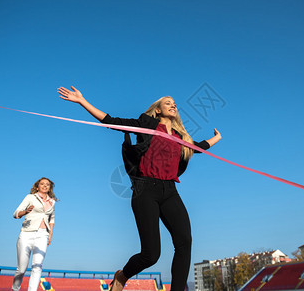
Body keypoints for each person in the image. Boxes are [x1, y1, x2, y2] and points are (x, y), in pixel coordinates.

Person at [58, 86, 222, 291]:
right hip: (145, 190)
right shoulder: (146, 126)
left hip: (170, 191)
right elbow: (112, 121)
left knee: (184, 242)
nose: (173, 105)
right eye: (167, 102)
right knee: (151, 255)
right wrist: (82, 101)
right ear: (158, 110)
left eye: (174, 103)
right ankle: (122, 275)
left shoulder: (181, 138)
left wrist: (217, 138)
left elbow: (198, 147)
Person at [12, 177, 57, 291]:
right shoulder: (30, 197)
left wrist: (50, 235)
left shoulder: (52, 202)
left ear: (50, 188)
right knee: (22, 269)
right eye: (42, 184)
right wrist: (25, 212)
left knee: (37, 266)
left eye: (47, 184)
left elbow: (51, 219)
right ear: (37, 186)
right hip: (27, 233)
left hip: (43, 234)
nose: (45, 186)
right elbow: (16, 213)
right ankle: (15, 288)